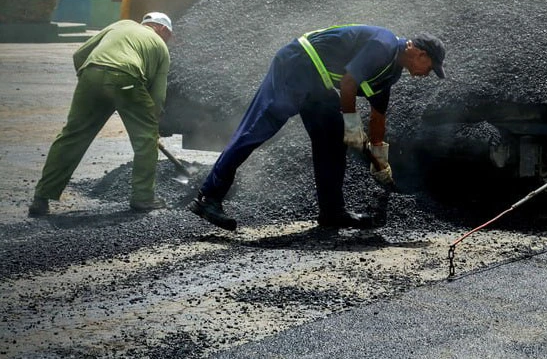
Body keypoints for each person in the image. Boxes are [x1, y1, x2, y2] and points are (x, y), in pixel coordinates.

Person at [189, 24, 446, 231]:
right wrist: (353, 126)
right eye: (430, 68)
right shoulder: (385, 44)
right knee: (259, 128)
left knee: (333, 138)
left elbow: (378, 118)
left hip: (317, 81)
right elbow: (348, 83)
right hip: (297, 63)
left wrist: (380, 163)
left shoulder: (392, 72)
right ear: (421, 54)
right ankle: (208, 197)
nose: (427, 74)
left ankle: (332, 211)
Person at [27, 12, 174, 217]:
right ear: (163, 29)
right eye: (169, 36)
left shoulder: (121, 25)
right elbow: (158, 96)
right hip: (128, 78)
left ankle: (41, 198)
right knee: (145, 142)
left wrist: (94, 84)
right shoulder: (161, 47)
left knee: (72, 136)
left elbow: (79, 55)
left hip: (91, 74)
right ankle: (143, 198)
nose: (169, 40)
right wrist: (151, 127)